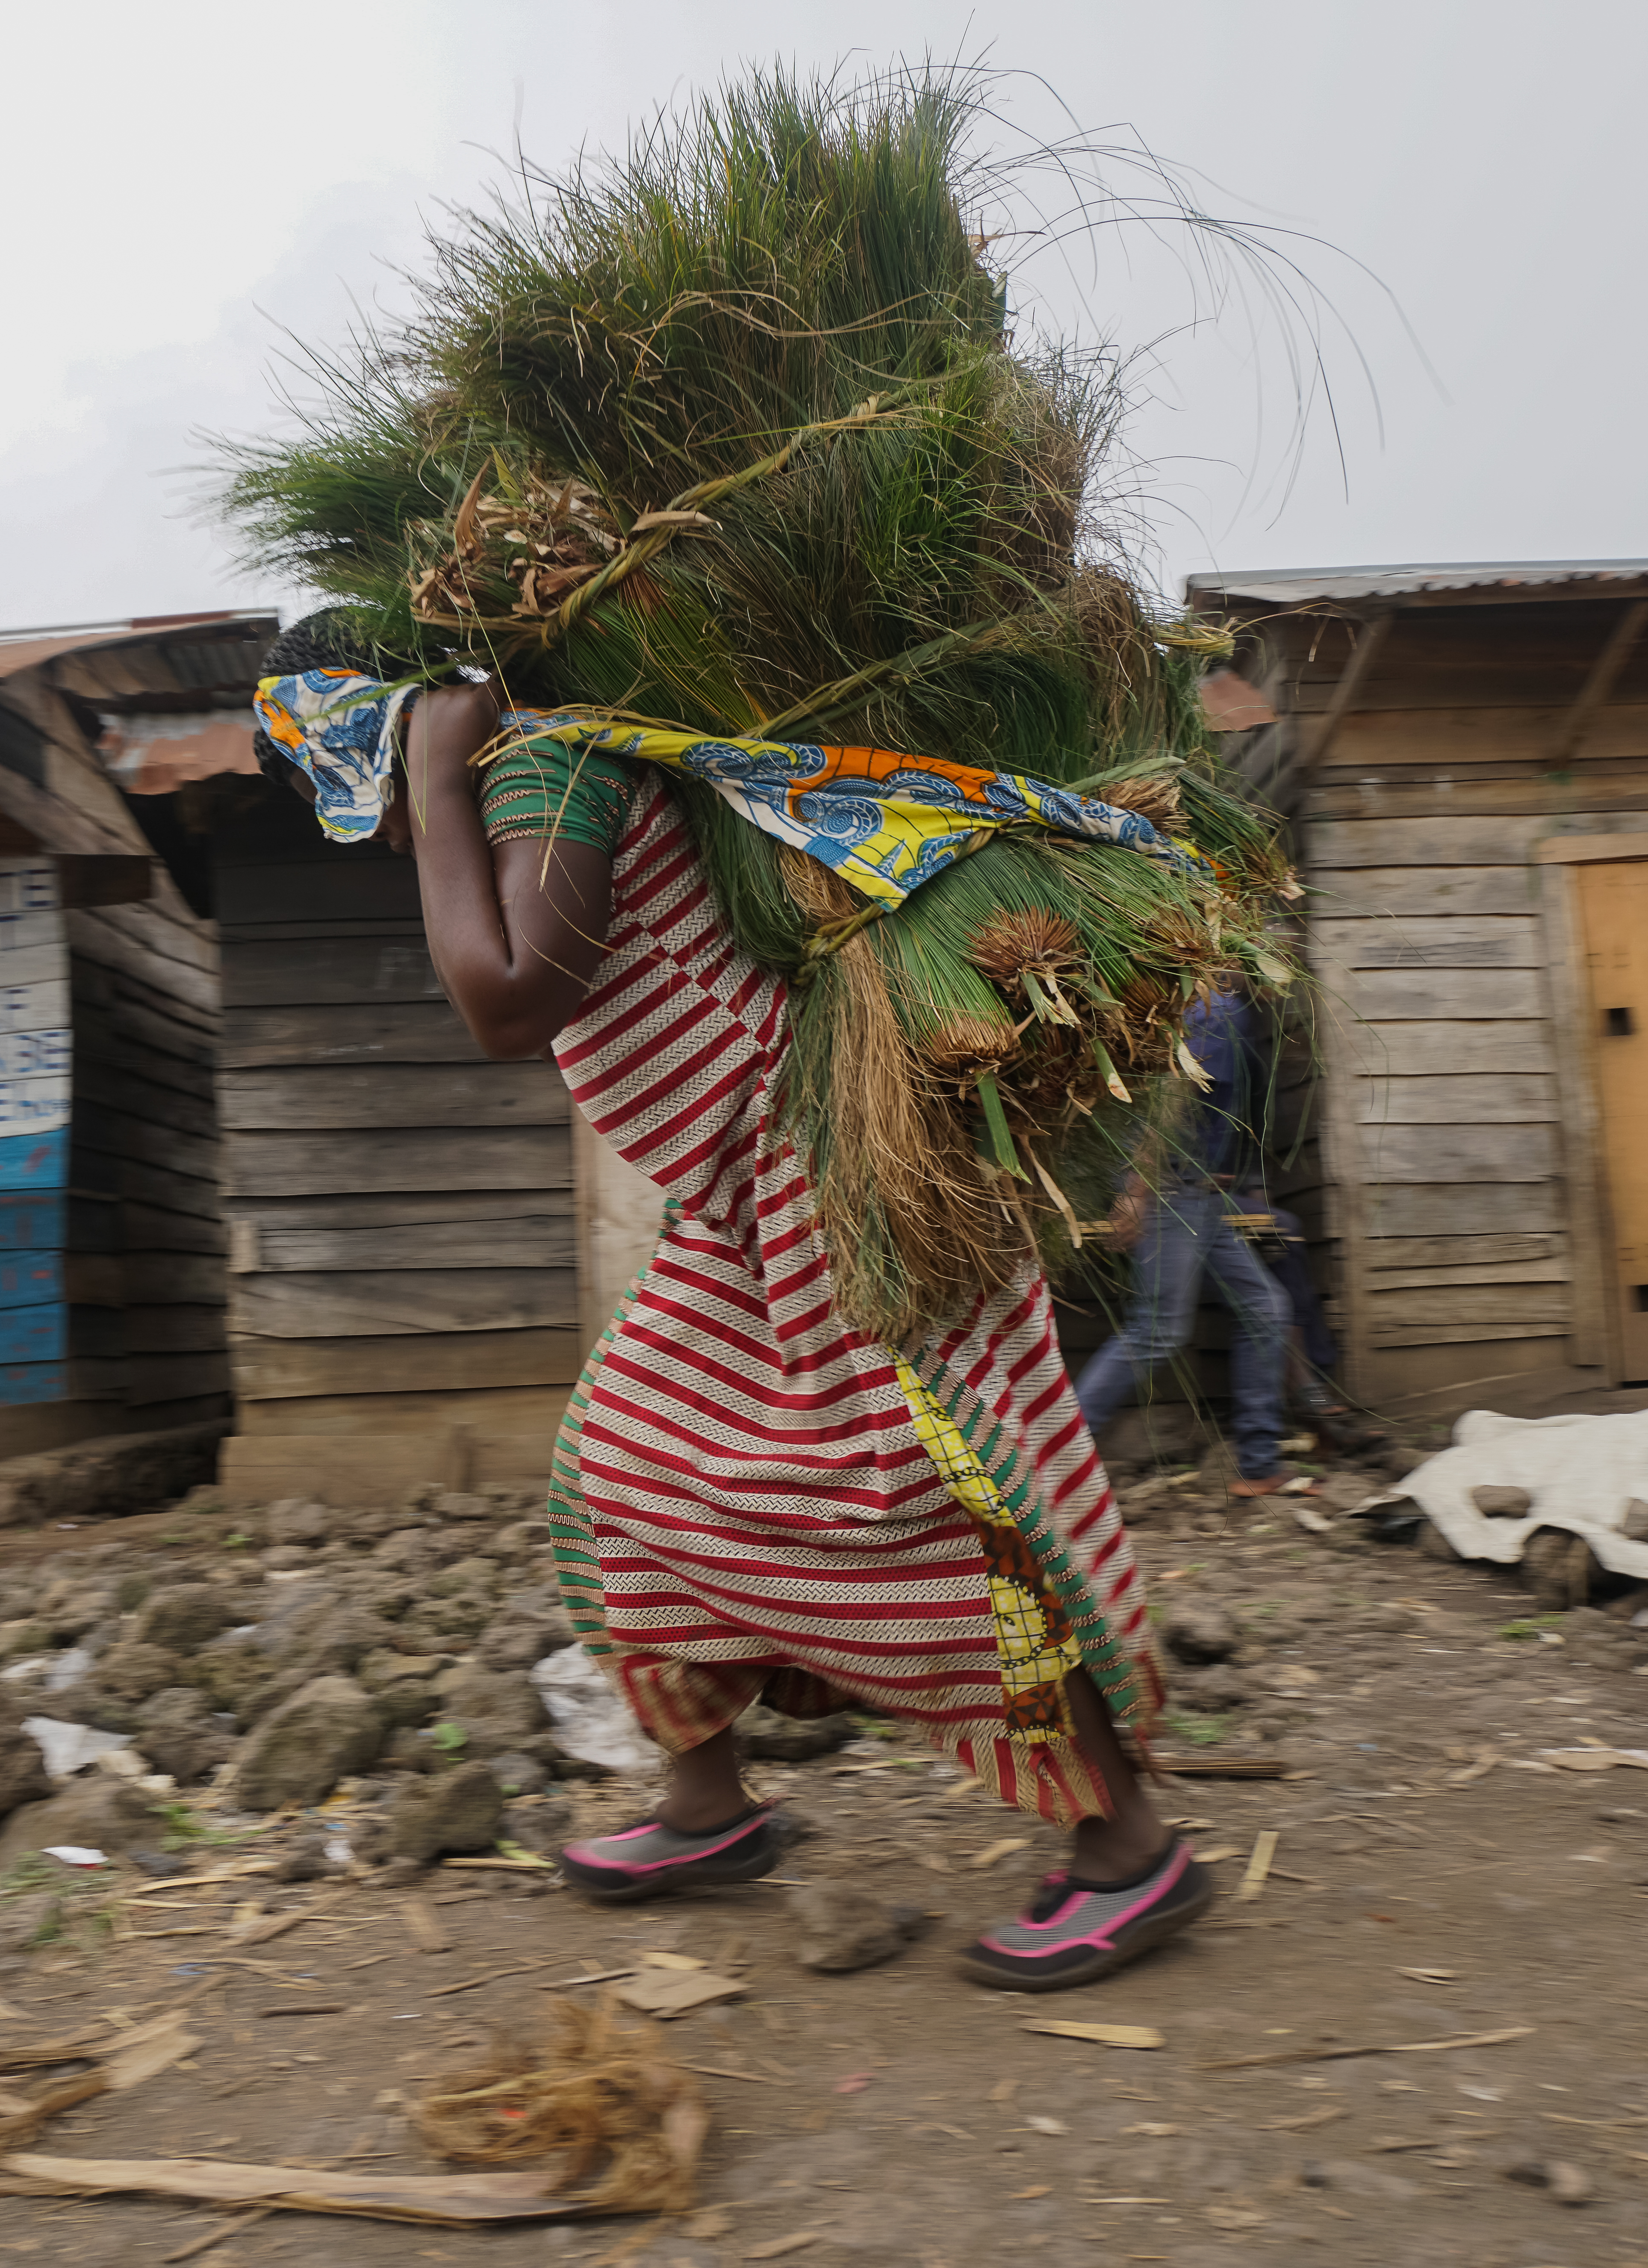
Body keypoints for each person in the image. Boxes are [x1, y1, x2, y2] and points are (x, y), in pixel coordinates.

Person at [252, 620, 1210, 1992]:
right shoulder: (539, 771)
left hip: (840, 1169)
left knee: (925, 1491)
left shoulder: (540, 775)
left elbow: (509, 1001)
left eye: (361, 806)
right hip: (757, 1202)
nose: (385, 838)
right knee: (619, 1465)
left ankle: (1128, 1844)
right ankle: (707, 1806)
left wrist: (443, 774)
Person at [1072, 981, 1301, 1497]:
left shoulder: (1224, 1008)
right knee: (1155, 1332)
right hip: (1170, 1189)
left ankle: (1260, 1464)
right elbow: (1173, 1098)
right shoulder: (1215, 1009)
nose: (1284, 972)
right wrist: (1135, 1191)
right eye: (1279, 955)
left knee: (1264, 1309)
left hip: (1200, 1194)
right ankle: (1064, 1459)